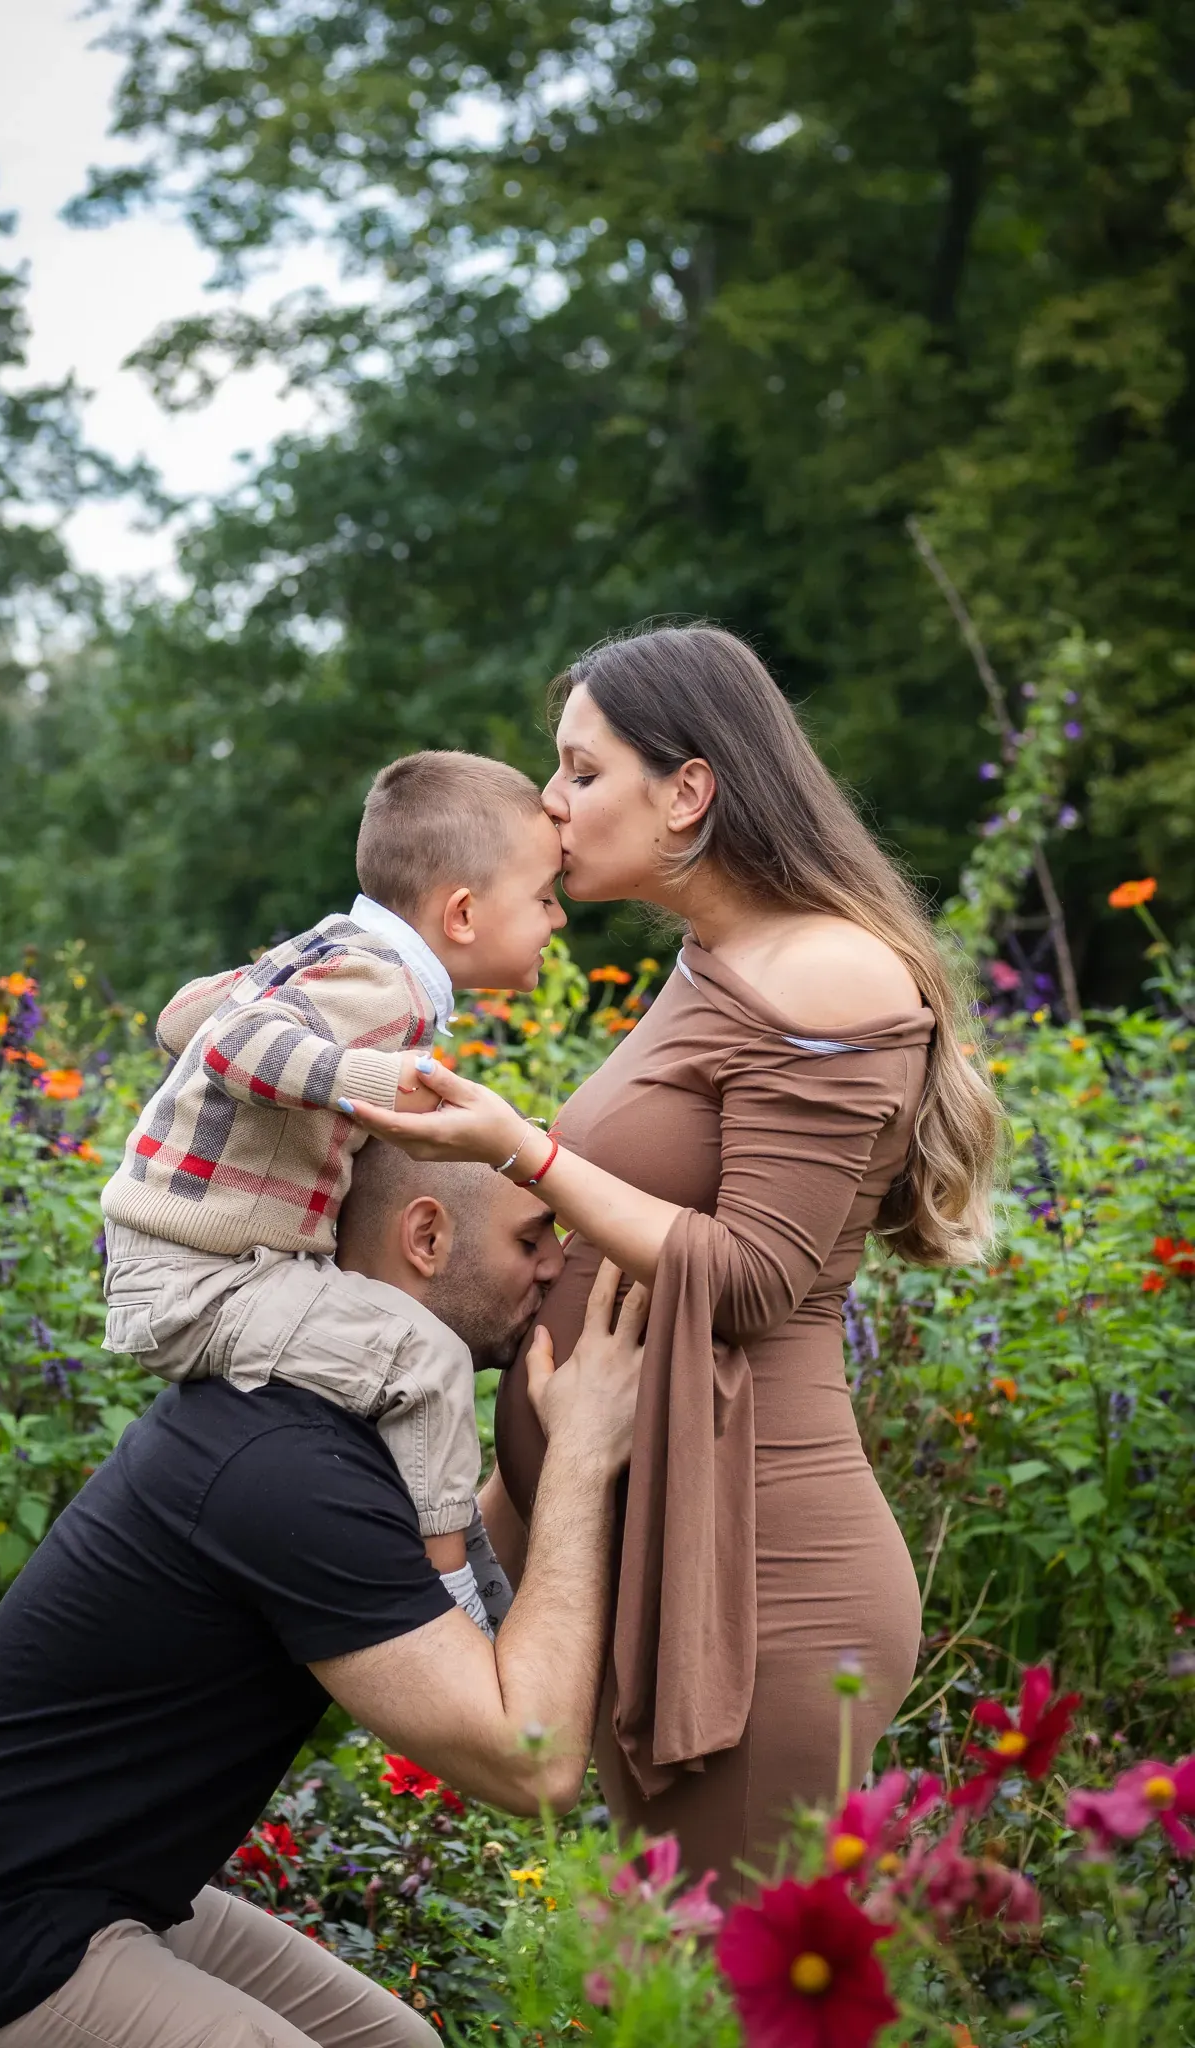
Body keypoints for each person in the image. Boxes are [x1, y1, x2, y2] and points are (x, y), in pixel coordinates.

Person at [343, 623, 1002, 1896]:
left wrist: (524, 1150)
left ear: (689, 787)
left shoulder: (827, 969)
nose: (550, 800)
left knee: (728, 1990)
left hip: (764, 1578)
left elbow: (754, 1274)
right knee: (681, 1982)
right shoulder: (714, 962)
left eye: (583, 770)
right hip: (664, 1559)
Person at [0, 1145, 648, 2048]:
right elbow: (526, 1763)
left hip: (88, 1886)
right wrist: (581, 1459)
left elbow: (445, 1603)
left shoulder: (341, 1413)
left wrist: (550, 1440)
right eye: (533, 1237)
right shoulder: (290, 1467)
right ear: (425, 1236)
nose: (553, 1263)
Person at [99, 748, 566, 1633]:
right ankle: (453, 1612)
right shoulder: (379, 986)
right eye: (544, 897)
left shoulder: (336, 951)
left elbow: (182, 1019)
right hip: (199, 1278)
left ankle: (470, 1572)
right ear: (462, 913)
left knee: (394, 1354)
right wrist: (376, 1084)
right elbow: (234, 1051)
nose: (557, 918)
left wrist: (261, 995)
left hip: (216, 1262)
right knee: (424, 1362)